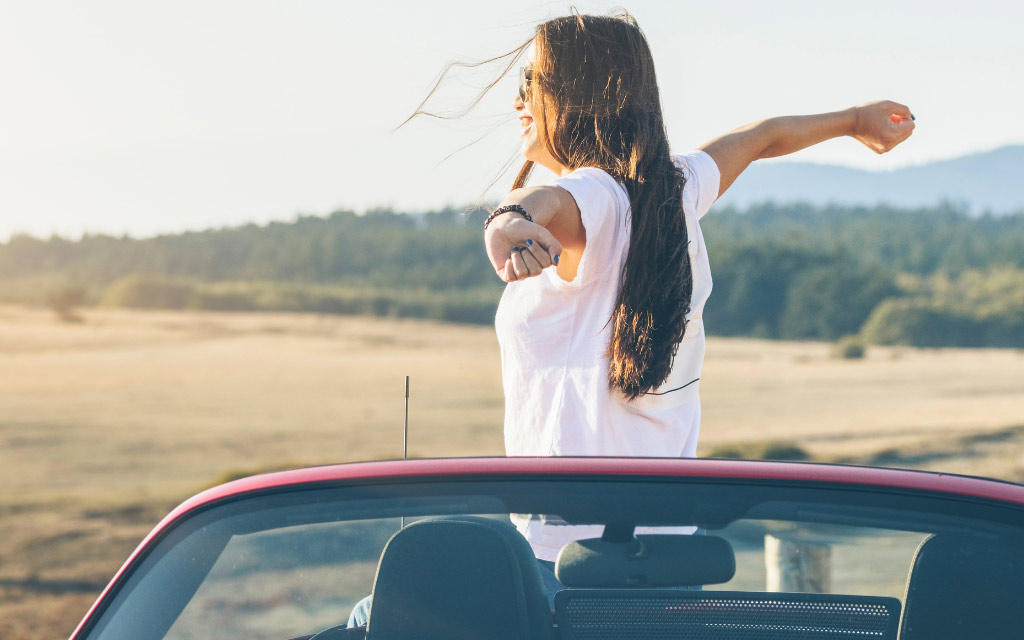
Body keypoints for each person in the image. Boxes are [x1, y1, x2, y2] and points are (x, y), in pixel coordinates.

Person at [349, 10, 913, 625]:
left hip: (562, 559)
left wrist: (504, 226)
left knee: (368, 621)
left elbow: (539, 204)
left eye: (529, 82)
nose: (518, 101)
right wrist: (856, 121)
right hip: (668, 552)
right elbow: (762, 137)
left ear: (575, 96)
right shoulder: (673, 190)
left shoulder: (594, 193)